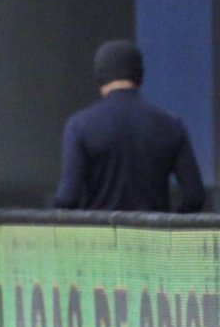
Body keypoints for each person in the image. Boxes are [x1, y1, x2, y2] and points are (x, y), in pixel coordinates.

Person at [53, 40, 205, 212]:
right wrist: (169, 225)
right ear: (139, 75)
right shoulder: (171, 125)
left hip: (100, 235)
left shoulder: (79, 126)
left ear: (100, 76)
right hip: (153, 236)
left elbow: (67, 197)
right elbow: (194, 195)